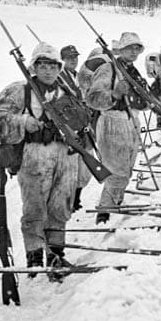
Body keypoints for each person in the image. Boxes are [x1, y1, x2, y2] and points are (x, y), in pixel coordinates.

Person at [0, 43, 80, 273]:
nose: (48, 71)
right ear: (34, 67)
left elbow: (82, 117)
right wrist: (22, 122)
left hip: (64, 154)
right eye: (42, 66)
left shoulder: (66, 89)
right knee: (35, 209)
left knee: (61, 207)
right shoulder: (20, 90)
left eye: (52, 66)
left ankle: (56, 254)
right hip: (35, 154)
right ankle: (34, 257)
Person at [84, 33, 148, 225]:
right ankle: (105, 212)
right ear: (120, 50)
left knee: (126, 169)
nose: (134, 52)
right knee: (116, 171)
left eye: (137, 48)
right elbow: (93, 98)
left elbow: (142, 101)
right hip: (112, 122)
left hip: (130, 122)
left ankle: (114, 203)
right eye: (129, 48)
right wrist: (114, 94)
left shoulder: (132, 70)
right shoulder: (109, 69)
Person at [59, 45, 91, 212]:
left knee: (83, 169)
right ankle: (69, 202)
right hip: (69, 126)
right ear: (62, 60)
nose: (73, 60)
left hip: (82, 124)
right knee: (70, 169)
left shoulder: (77, 77)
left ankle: (76, 200)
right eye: (69, 58)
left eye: (75, 57)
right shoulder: (59, 78)